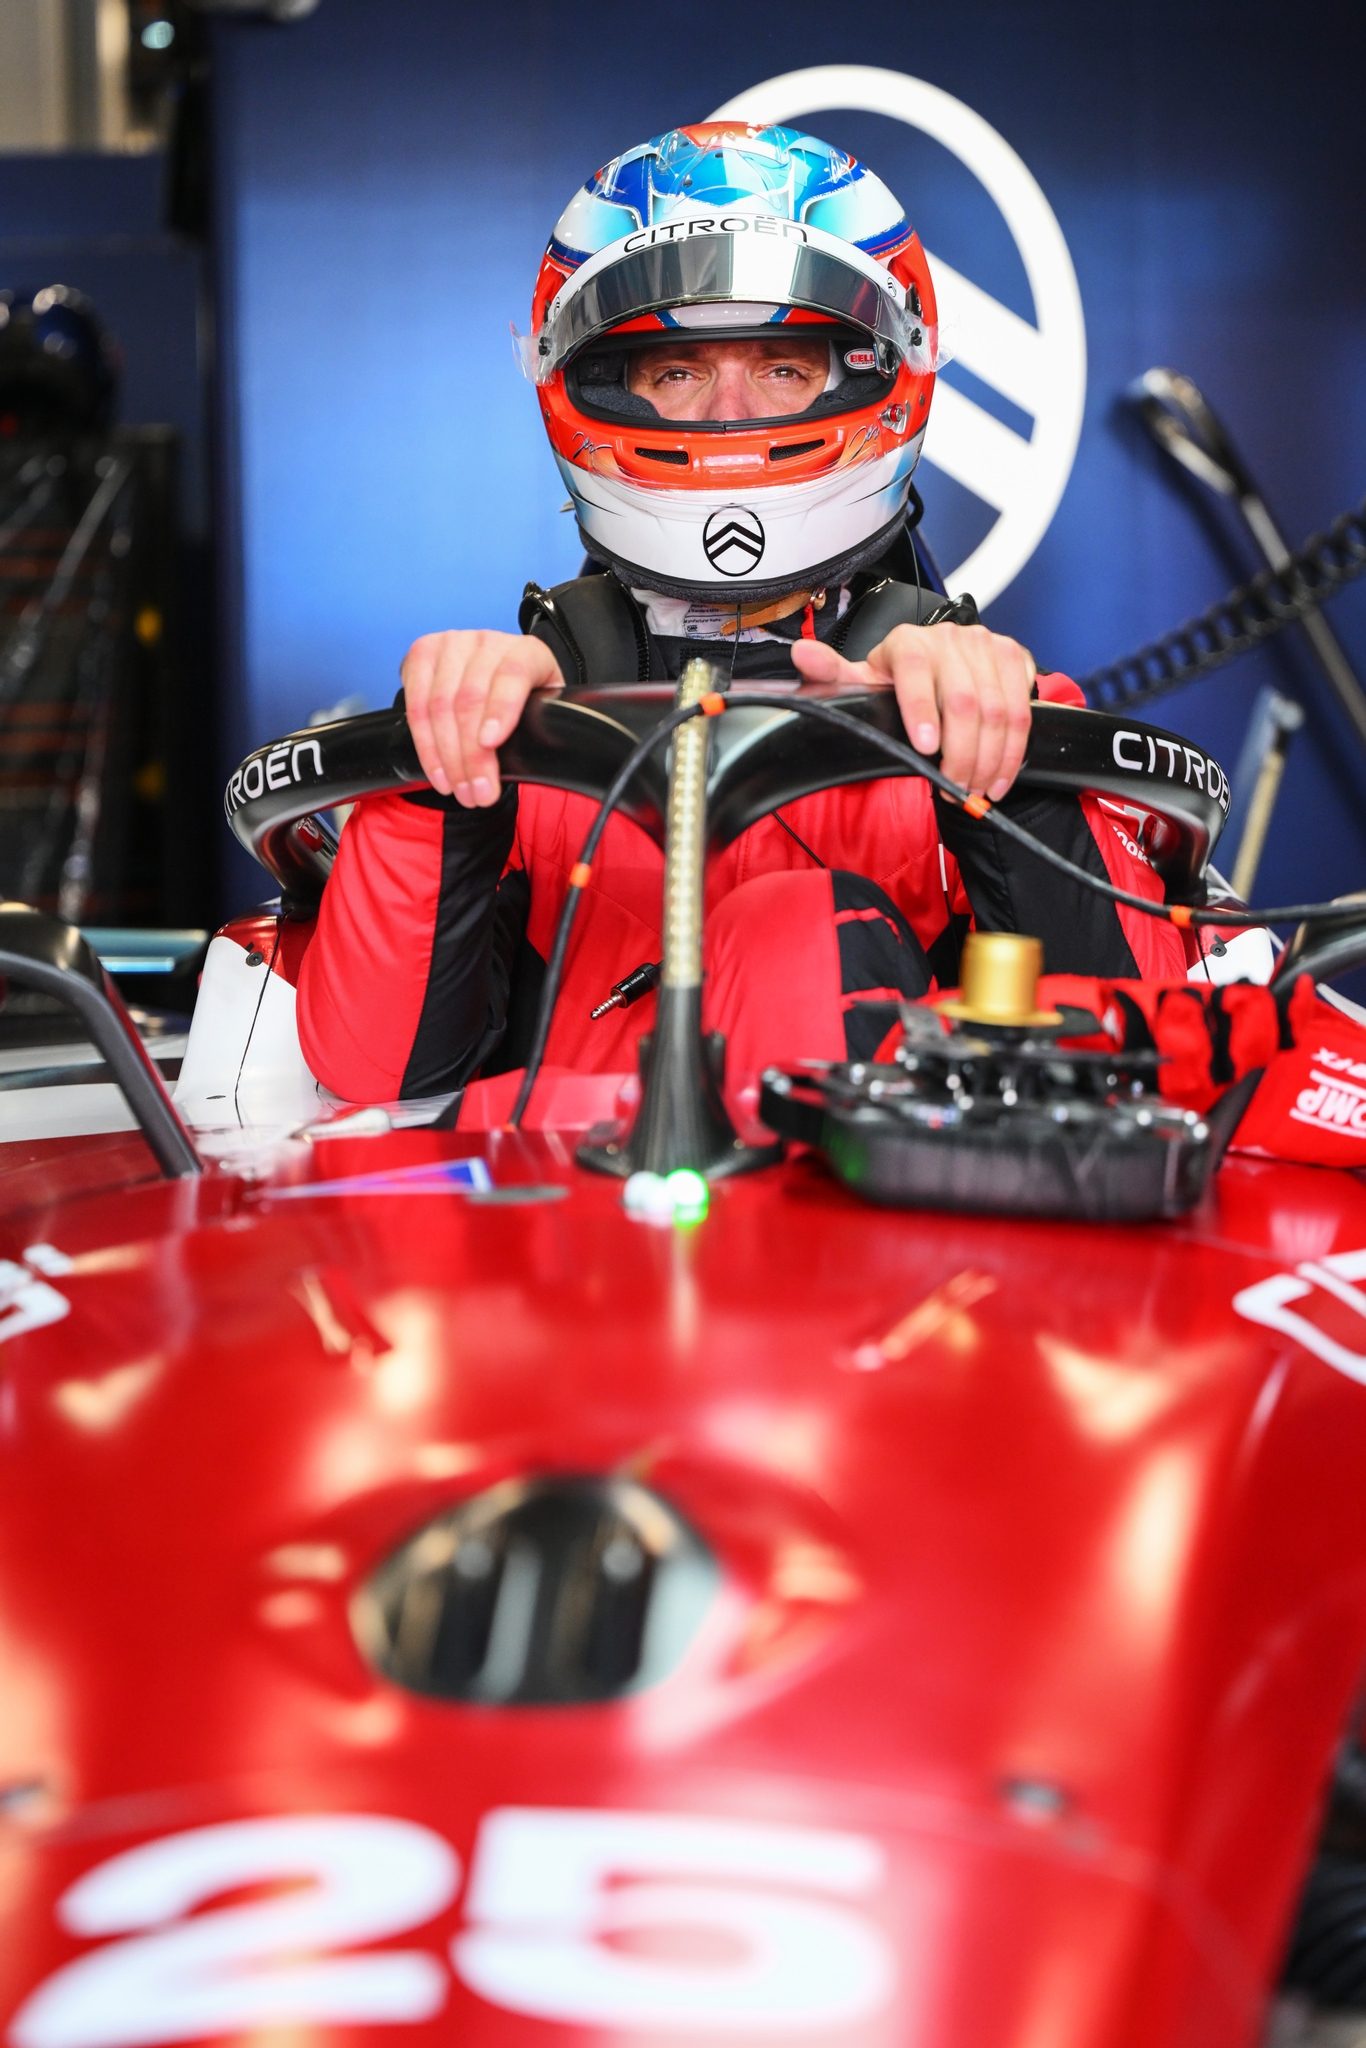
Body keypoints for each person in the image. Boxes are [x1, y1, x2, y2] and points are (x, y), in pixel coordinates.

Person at [297, 123, 1191, 1115]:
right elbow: (375, 1082)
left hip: (885, 1251)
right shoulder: (513, 711)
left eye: (781, 368)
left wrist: (1009, 767)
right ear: (594, 386)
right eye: (676, 374)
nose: (727, 415)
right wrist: (441, 778)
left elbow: (1141, 1060)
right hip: (569, 1240)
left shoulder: (959, 689)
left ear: (869, 370)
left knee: (798, 924)